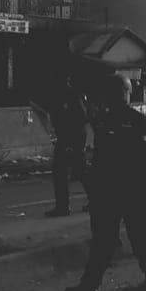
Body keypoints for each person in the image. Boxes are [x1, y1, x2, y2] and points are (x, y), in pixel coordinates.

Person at [64, 74, 146, 291]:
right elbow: (99, 157)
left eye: (121, 92)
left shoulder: (136, 120)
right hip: (108, 189)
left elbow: (138, 158)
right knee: (103, 240)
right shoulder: (103, 120)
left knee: (138, 236)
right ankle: (89, 286)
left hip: (131, 188)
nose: (119, 97)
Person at [45, 76, 91, 218]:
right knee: (79, 171)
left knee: (63, 171)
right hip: (67, 138)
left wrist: (71, 141)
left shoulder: (71, 96)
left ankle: (63, 207)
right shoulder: (60, 96)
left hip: (70, 139)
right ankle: (94, 200)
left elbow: (82, 118)